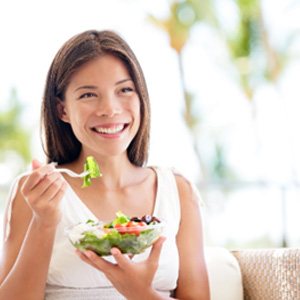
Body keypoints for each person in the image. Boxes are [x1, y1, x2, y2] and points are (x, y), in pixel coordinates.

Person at [0, 30, 210, 299]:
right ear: (62, 110)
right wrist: (44, 223)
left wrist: (139, 292)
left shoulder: (178, 191)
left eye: (124, 90)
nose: (109, 109)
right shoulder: (36, 192)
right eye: (88, 95)